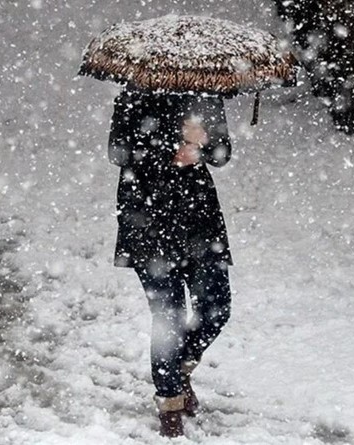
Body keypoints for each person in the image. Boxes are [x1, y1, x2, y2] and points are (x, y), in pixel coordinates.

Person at [108, 85, 233, 437]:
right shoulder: (133, 96)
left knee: (216, 306)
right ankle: (169, 403)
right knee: (169, 317)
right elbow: (118, 152)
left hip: (199, 220)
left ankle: (177, 370)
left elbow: (222, 154)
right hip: (147, 219)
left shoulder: (206, 94)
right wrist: (173, 144)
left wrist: (203, 145)